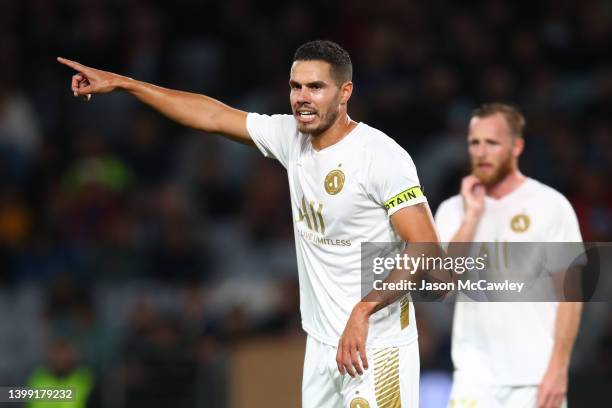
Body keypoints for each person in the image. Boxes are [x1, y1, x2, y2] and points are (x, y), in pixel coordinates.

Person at [58, 40, 440, 407]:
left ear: (345, 93)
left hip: (378, 344)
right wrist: (125, 84)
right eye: (296, 86)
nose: (302, 97)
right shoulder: (292, 138)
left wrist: (363, 310)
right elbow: (211, 115)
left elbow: (425, 247)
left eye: (316, 87)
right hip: (323, 345)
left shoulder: (381, 156)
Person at [434, 103, 583, 408]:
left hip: (536, 377)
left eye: (492, 143)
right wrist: (472, 217)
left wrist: (559, 367)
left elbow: (571, 294)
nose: (481, 152)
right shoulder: (452, 210)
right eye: (474, 143)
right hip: (473, 377)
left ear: (517, 146)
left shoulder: (551, 205)